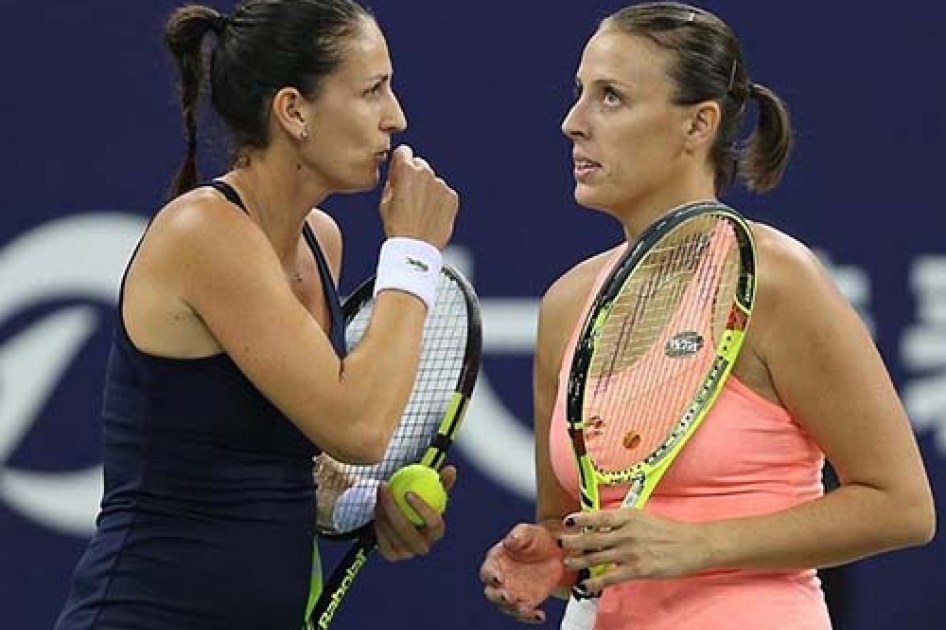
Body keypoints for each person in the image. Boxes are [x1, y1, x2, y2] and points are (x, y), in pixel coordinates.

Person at [479, 3, 935, 629]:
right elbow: (573, 524)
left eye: (611, 98)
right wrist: (553, 559)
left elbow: (902, 506)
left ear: (697, 126)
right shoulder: (566, 305)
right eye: (580, 93)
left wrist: (697, 544)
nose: (573, 122)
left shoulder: (777, 280)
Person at [54, 1, 459, 629]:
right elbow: (359, 426)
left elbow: (279, 461)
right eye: (372, 90)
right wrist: (412, 255)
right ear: (294, 111)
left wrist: (358, 507)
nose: (395, 118)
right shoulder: (203, 233)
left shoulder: (319, 239)